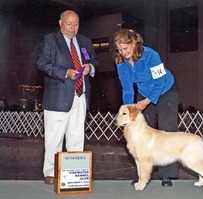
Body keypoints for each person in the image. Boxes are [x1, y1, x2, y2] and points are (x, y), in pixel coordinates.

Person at [37, 10, 99, 184]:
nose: (73, 28)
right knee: (54, 138)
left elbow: (94, 61)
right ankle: (50, 173)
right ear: (60, 23)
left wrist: (90, 67)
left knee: (77, 136)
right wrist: (65, 73)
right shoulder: (50, 40)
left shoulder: (85, 41)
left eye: (76, 24)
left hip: (81, 95)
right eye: (69, 24)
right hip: (57, 97)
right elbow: (42, 63)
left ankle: (74, 173)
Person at [113, 29, 179, 187]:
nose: (123, 52)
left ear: (134, 43)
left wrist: (147, 102)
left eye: (126, 49)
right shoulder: (120, 61)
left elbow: (160, 81)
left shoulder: (151, 55)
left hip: (165, 90)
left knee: (167, 131)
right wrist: (128, 110)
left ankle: (167, 176)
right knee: (140, 133)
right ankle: (143, 175)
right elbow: (128, 88)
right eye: (120, 49)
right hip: (143, 93)